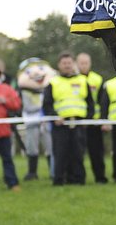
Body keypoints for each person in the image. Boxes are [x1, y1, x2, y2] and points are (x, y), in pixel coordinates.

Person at [43, 51, 94, 186]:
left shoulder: (83, 80)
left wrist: (87, 119)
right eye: (64, 63)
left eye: (69, 63)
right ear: (59, 65)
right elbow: (47, 104)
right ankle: (59, 180)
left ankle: (78, 180)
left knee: (78, 153)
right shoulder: (53, 82)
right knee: (60, 153)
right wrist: (54, 116)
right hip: (60, 124)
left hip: (78, 123)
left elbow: (90, 103)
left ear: (74, 64)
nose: (67, 66)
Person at [16, 57, 55, 181]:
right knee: (31, 146)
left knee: (50, 146)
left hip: (47, 120)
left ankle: (53, 171)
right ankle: (32, 172)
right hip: (31, 120)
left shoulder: (52, 87)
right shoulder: (22, 90)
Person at [76, 53, 108, 184]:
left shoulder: (98, 79)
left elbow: (103, 102)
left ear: (90, 63)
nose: (84, 65)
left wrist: (103, 120)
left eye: (86, 63)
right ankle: (79, 178)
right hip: (78, 121)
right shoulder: (73, 79)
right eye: (81, 63)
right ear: (77, 64)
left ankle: (100, 178)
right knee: (77, 152)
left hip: (94, 122)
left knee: (97, 152)